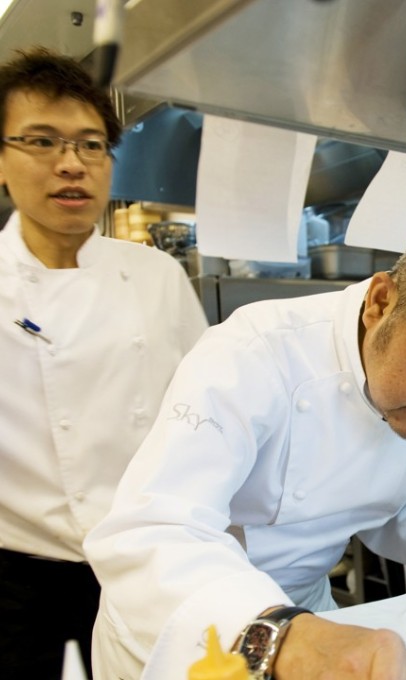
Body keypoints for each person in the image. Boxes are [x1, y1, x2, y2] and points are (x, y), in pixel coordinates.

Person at [84, 216, 406, 680]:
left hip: (316, 620)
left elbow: (399, 494)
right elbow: (156, 530)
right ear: (381, 302)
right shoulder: (253, 353)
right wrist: (287, 636)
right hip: (195, 630)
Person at [0, 48, 208, 677]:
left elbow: (206, 412)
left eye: (91, 145)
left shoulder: (156, 276)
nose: (71, 164)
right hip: (17, 576)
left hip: (145, 563)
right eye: (43, 141)